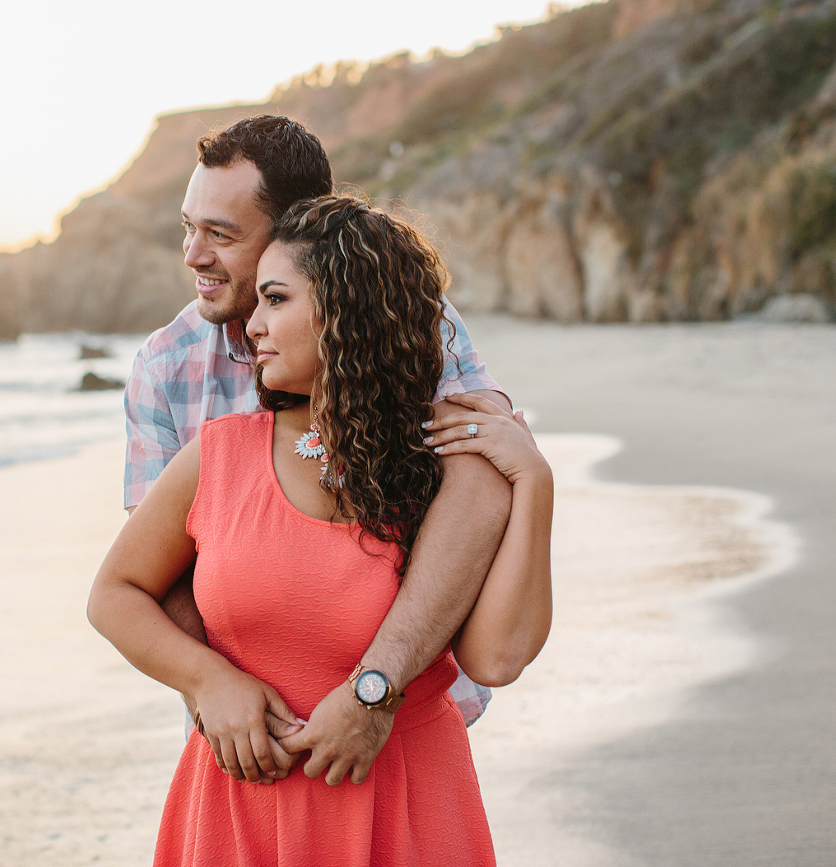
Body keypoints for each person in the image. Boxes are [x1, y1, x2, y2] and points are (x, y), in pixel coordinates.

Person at [89, 196, 553, 865]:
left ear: (346, 313)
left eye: (276, 299)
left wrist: (533, 483)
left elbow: (497, 659)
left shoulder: (450, 470)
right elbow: (113, 592)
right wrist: (207, 679)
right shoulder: (216, 457)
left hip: (404, 808)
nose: (252, 326)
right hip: (239, 812)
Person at [123, 116, 514, 772]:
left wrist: (372, 692)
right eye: (187, 227)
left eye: (220, 233)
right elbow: (155, 567)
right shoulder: (164, 365)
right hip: (251, 746)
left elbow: (475, 488)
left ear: (296, 233)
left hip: (404, 721)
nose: (192, 254)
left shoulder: (404, 320)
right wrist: (215, 686)